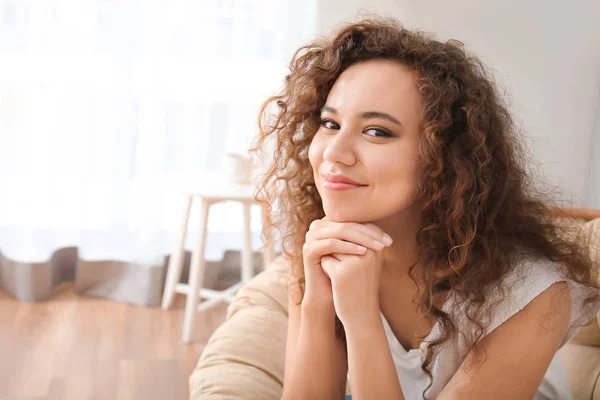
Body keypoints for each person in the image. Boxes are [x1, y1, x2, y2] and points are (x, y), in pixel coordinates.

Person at [248, 16, 600, 400]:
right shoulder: (324, 249)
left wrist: (362, 318)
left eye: (377, 132)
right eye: (329, 123)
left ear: (445, 159)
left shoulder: (533, 295)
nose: (333, 153)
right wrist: (317, 303)